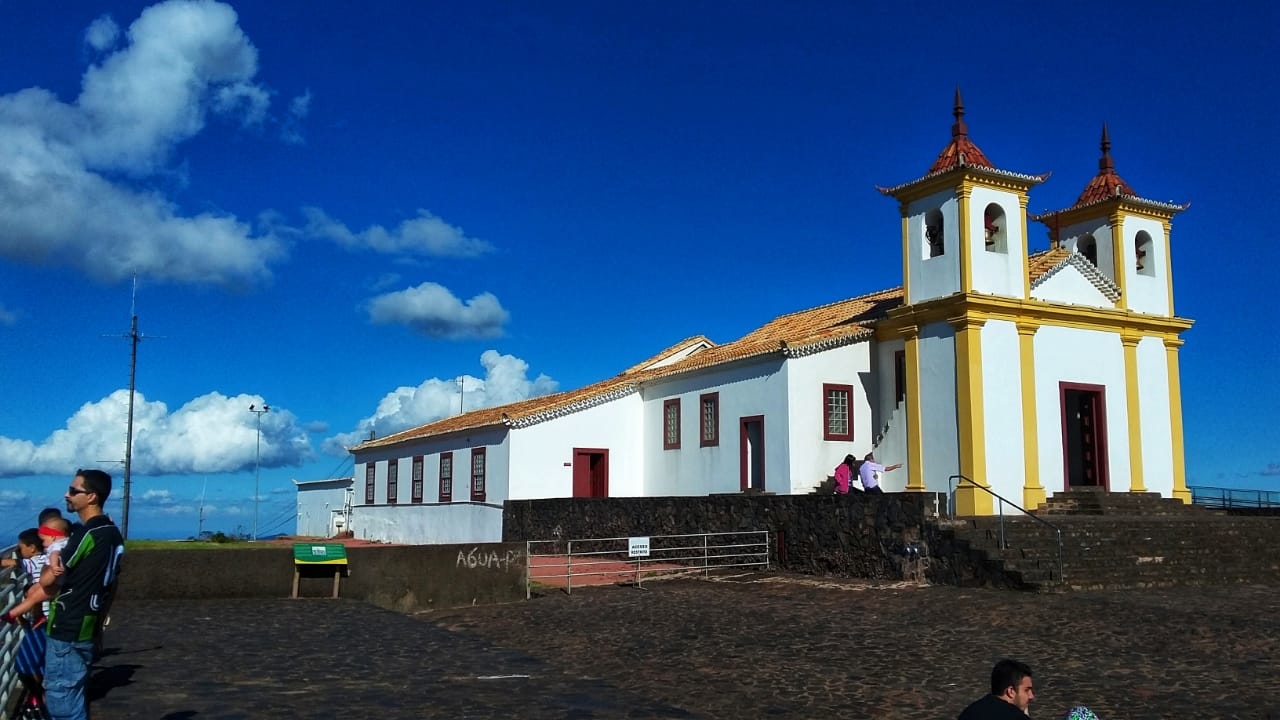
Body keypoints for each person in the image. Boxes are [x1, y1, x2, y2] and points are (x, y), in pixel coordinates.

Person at [38, 469, 124, 720]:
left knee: (63, 703)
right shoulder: (113, 533)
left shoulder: (87, 534)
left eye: (74, 490)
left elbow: (48, 580)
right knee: (75, 696)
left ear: (91, 497)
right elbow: (112, 584)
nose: (67, 494)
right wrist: (99, 627)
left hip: (68, 626)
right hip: (88, 626)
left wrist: (52, 553)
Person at [958, 658, 1036, 719]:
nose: (1031, 696)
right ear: (1011, 691)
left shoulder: (970, 712)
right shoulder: (1017, 717)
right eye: (1026, 690)